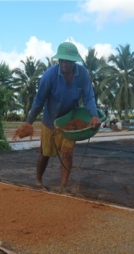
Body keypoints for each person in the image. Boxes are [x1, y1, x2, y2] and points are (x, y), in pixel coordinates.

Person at [17, 42, 101, 194]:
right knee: (45, 153)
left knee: (67, 153)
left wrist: (94, 116)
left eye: (68, 61)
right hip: (50, 121)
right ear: (58, 60)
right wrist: (29, 122)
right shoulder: (49, 76)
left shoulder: (82, 74)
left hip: (70, 121)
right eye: (61, 60)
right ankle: (38, 180)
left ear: (74, 61)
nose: (64, 64)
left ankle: (63, 187)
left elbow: (88, 97)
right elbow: (39, 100)